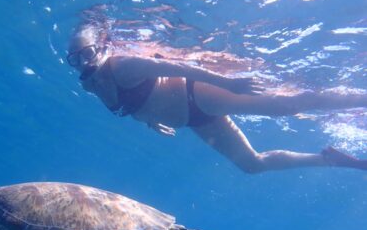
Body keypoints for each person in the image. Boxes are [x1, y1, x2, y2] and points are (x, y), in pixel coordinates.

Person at [67, 24, 367, 173]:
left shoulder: (123, 65)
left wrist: (228, 83)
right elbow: (134, 103)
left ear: (102, 47)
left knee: (286, 106)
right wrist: (150, 121)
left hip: (197, 94)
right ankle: (329, 159)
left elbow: (177, 67)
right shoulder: (93, 87)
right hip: (197, 121)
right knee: (252, 165)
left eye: (88, 53)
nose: (84, 63)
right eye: (75, 60)